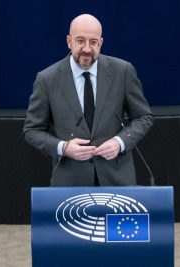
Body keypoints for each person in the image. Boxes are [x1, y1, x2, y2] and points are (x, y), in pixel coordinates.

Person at [23, 14, 154, 186]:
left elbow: (143, 117)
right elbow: (31, 130)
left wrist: (120, 142)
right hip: (70, 183)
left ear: (101, 43)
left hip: (117, 180)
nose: (86, 48)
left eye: (93, 42)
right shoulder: (47, 79)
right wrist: (63, 148)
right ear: (69, 41)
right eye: (80, 41)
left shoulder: (123, 72)